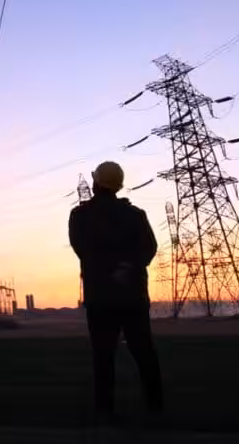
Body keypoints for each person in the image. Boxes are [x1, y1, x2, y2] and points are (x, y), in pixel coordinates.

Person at [69, 161, 163, 425]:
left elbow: (83, 250)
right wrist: (127, 266)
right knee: (144, 352)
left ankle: (104, 411)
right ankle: (155, 408)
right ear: (119, 185)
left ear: (96, 183)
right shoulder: (135, 215)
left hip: (100, 298)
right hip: (133, 296)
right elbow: (149, 248)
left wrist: (108, 270)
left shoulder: (80, 215)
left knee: (103, 355)